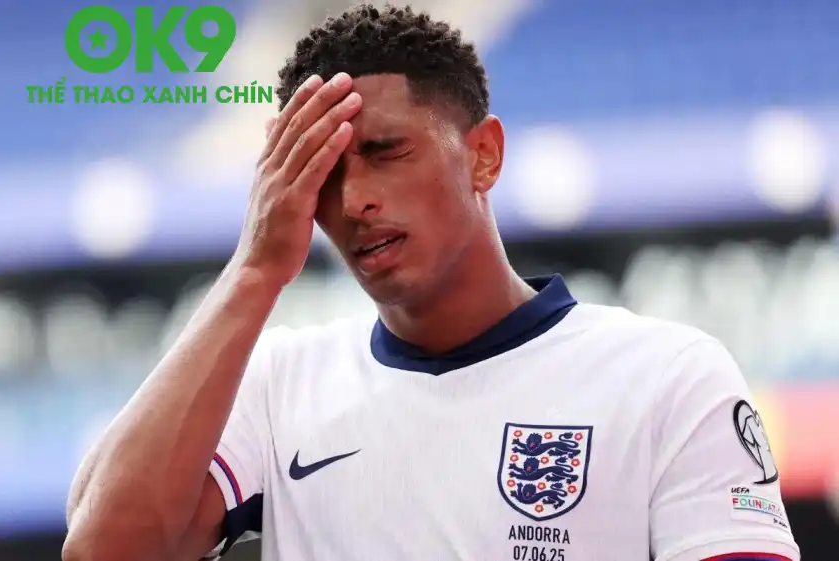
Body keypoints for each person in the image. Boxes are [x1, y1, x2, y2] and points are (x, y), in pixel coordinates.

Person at [62, 4, 800, 561]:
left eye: (386, 151)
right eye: (323, 175)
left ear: (484, 155)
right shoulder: (279, 385)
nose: (354, 200)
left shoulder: (669, 378)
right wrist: (254, 271)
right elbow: (103, 547)